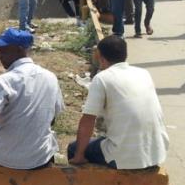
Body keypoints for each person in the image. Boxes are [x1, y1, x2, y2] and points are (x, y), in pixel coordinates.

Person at [68, 35, 169, 169]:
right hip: (157, 152)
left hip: (123, 157)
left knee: (73, 148)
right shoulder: (143, 73)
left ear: (101, 58)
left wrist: (79, 156)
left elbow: (88, 120)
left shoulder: (102, 78)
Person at [0, 28, 63, 170]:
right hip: (41, 158)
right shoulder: (50, 77)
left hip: (7, 160)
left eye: (3, 51)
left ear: (19, 50)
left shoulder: (5, 81)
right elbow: (53, 119)